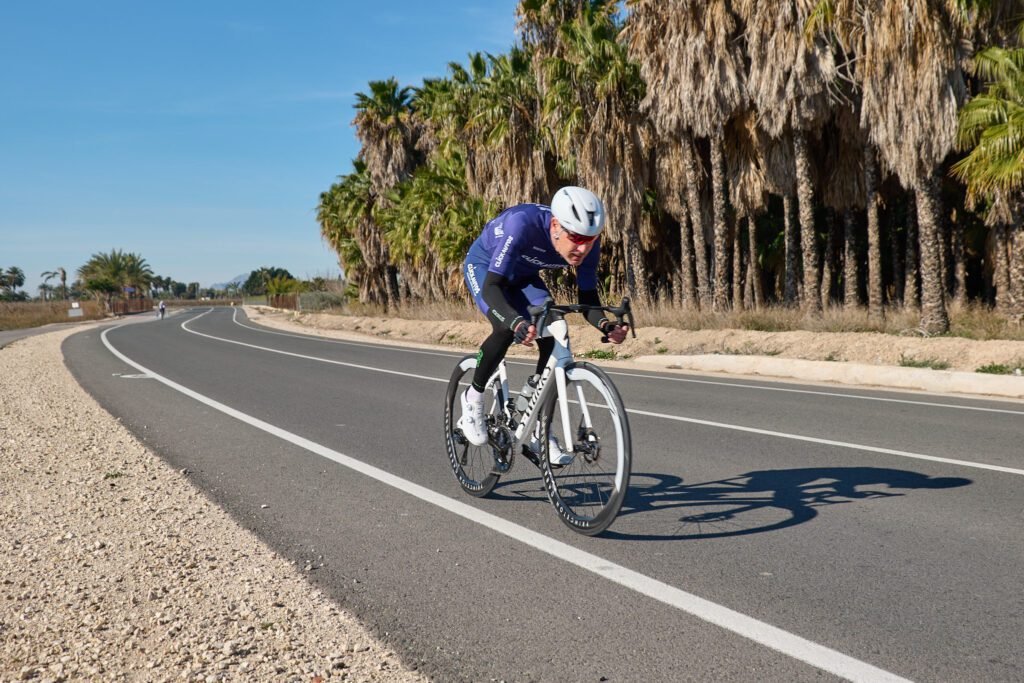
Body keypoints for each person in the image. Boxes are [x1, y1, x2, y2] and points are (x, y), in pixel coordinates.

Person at [458, 186, 629, 463]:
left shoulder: (587, 245)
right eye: (575, 237)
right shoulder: (521, 225)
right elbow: (492, 288)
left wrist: (606, 326)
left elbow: (587, 298)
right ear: (555, 226)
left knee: (554, 327)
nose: (583, 247)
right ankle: (473, 398)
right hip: (485, 268)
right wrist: (515, 322)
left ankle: (537, 423)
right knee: (504, 327)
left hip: (524, 277)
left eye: (590, 239)